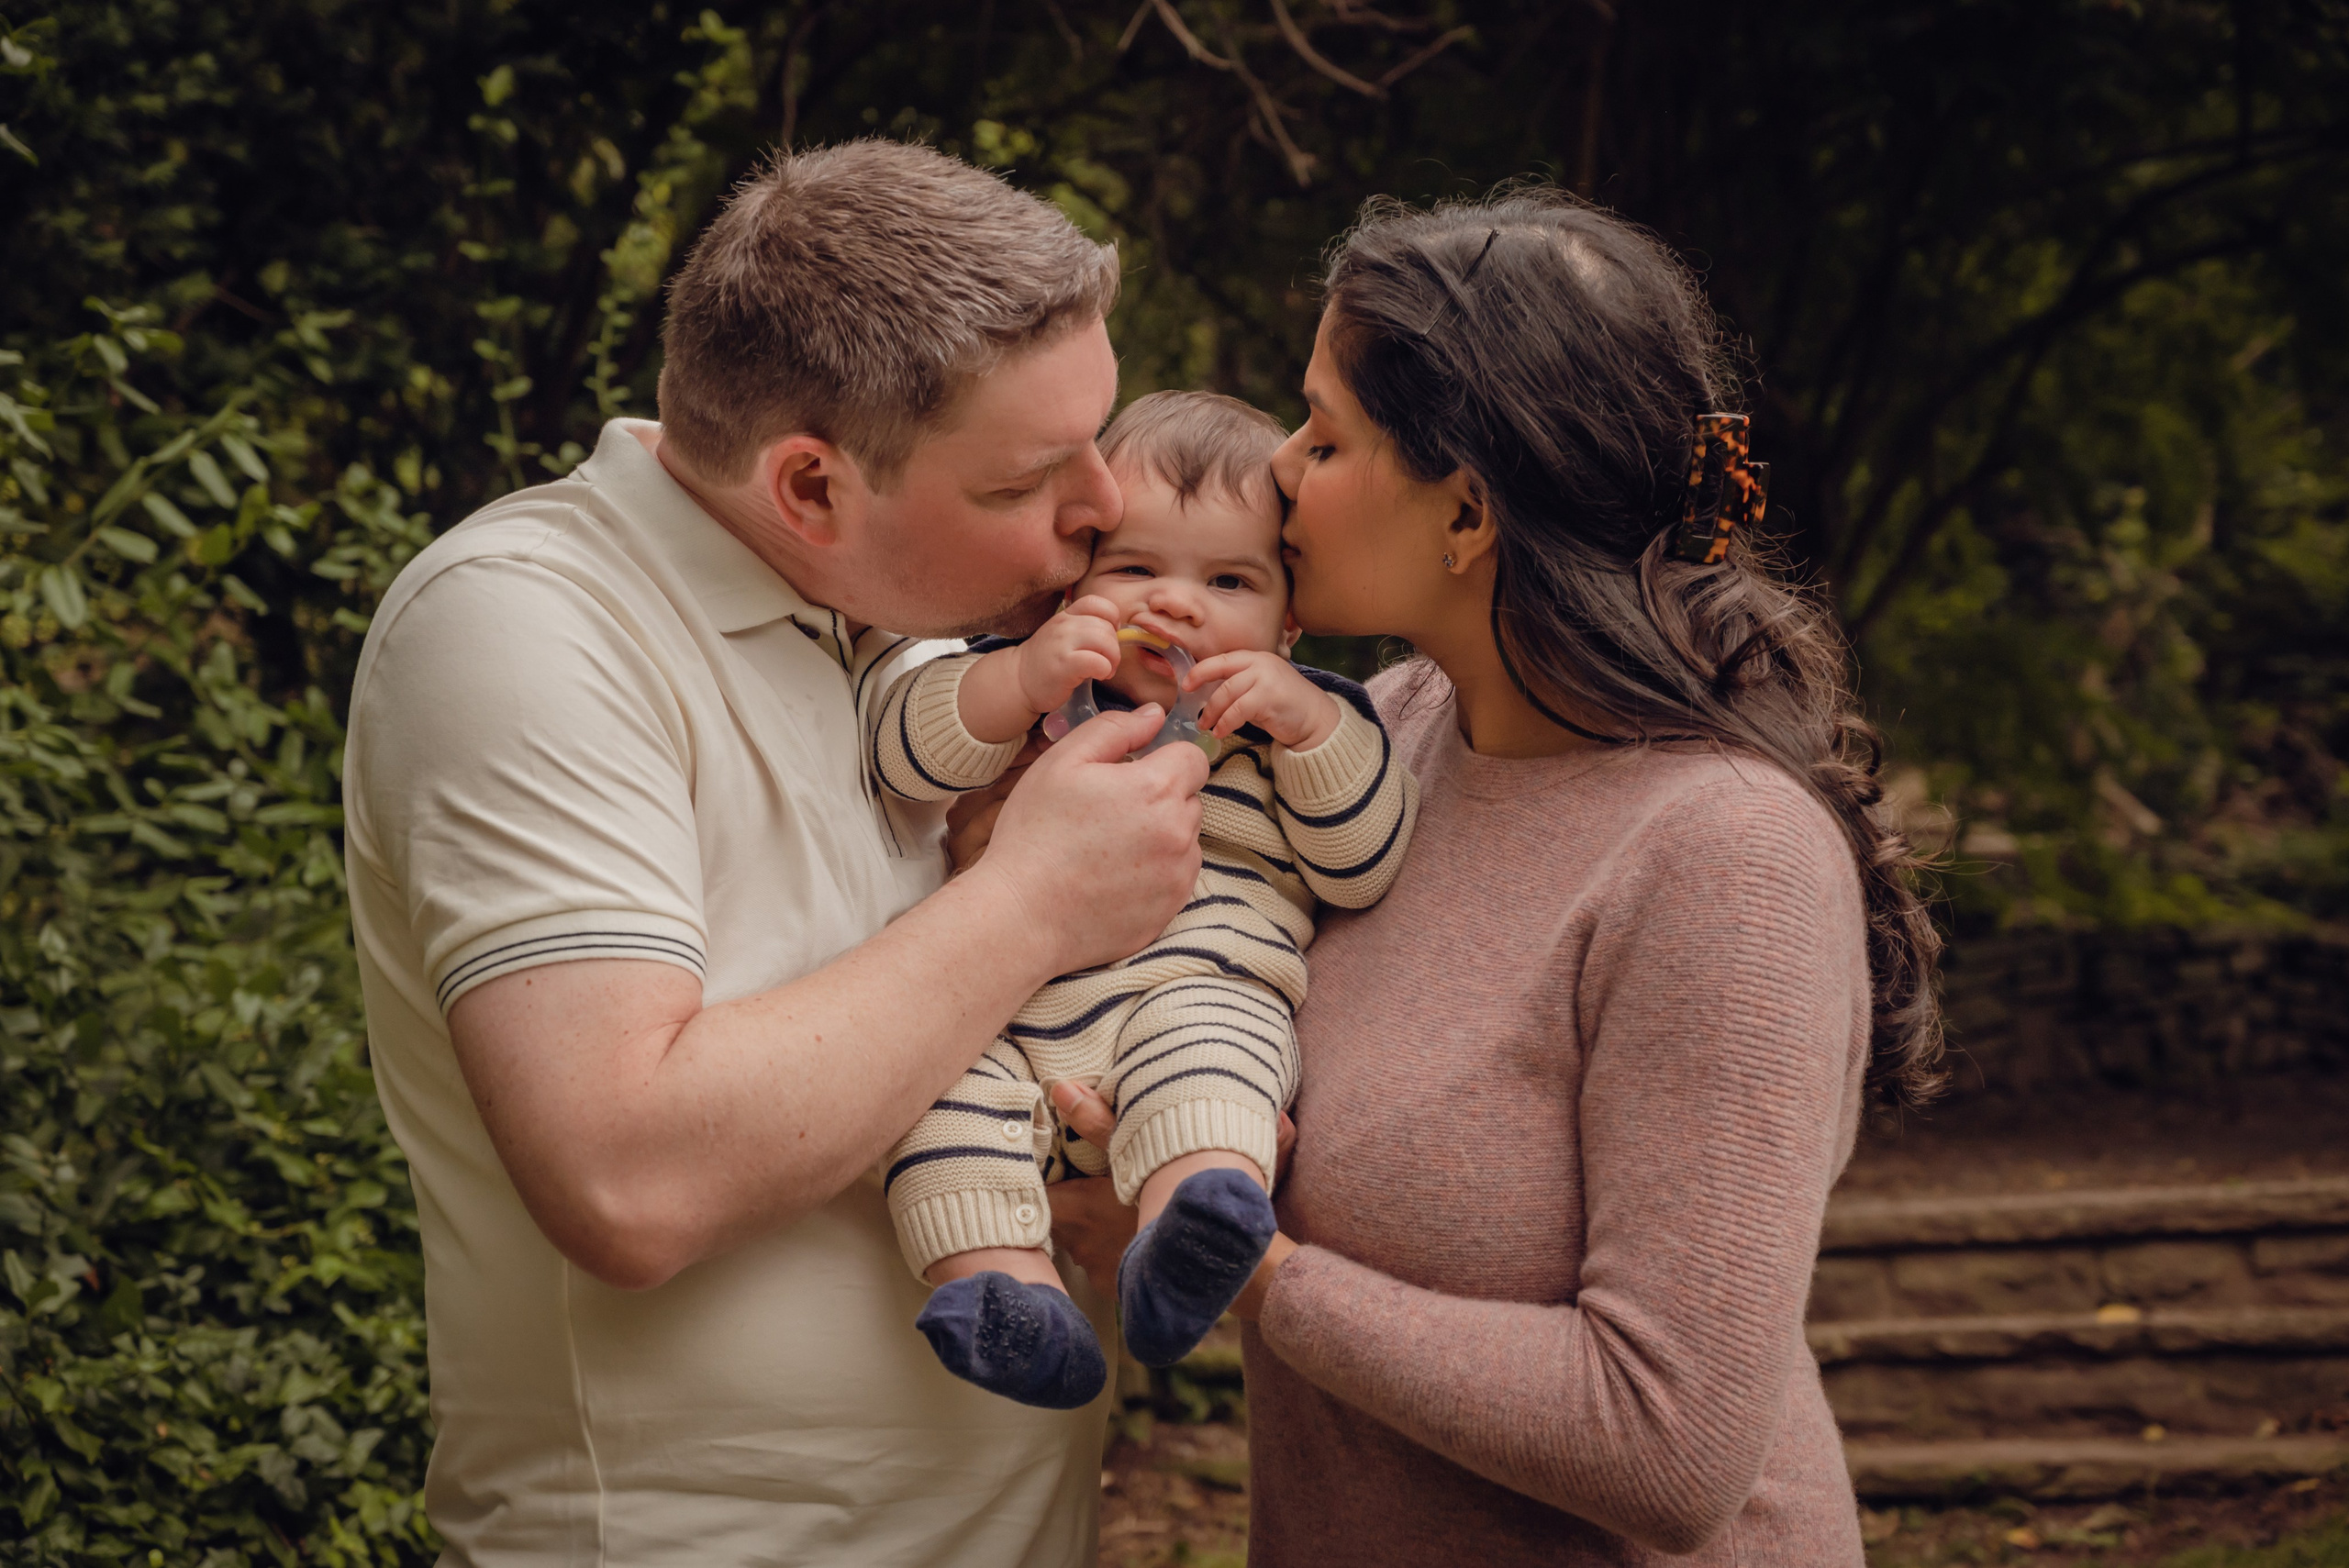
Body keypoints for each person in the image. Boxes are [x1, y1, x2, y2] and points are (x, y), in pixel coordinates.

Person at [340, 139, 1212, 1567]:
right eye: (1031, 478)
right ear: (809, 488)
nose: (1107, 505)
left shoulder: (912, 641)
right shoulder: (525, 629)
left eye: (1098, 438)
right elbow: (627, 1175)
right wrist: (1035, 901)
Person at [1049, 188, 1946, 1563]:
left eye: (1327, 434)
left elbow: (1670, 1441)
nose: (1280, 470)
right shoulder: (1388, 734)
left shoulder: (1723, 857)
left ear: (1466, 513)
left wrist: (1244, 1265)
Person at [867, 391, 1418, 1410]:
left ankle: (1187, 1229)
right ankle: (1007, 1292)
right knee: (930, 1099)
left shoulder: (1296, 724)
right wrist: (1021, 678)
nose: (1174, 603)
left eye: (1227, 579)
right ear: (1074, 582)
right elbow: (899, 750)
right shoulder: (1020, 688)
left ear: (1286, 619)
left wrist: (1307, 731)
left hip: (1197, 982)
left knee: (1215, 1057)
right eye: (1134, 569)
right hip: (997, 1009)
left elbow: (1365, 865)